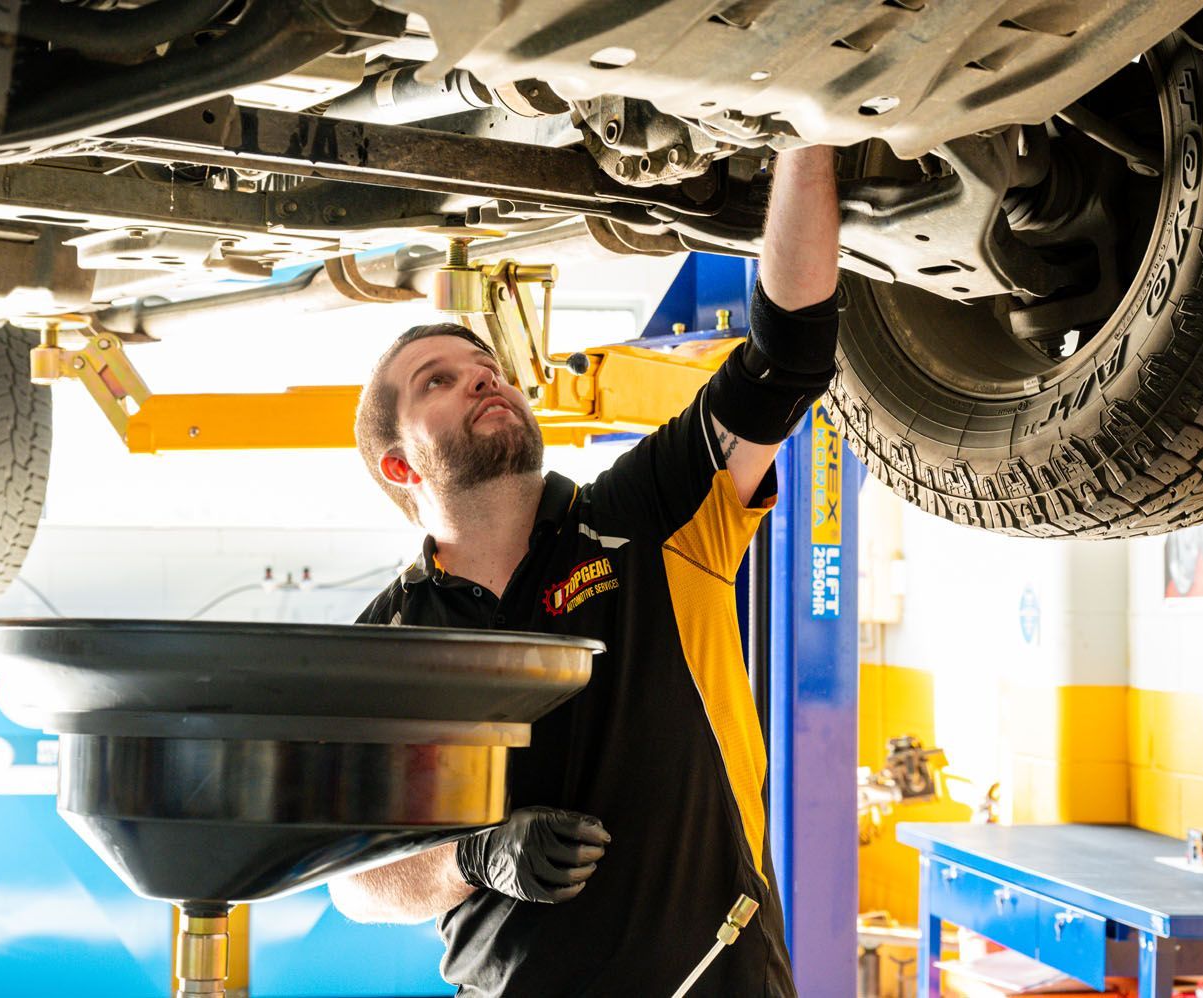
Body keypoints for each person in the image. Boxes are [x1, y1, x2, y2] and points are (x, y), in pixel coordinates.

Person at [329, 145, 840, 997]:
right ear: (399, 468)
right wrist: (474, 858)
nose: (482, 379)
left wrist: (809, 127)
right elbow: (355, 884)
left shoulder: (646, 516)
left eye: (485, 367)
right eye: (439, 382)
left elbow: (784, 357)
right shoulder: (386, 643)